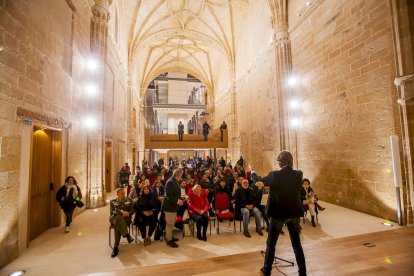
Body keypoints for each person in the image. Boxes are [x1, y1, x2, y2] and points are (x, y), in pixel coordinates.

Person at [260, 150, 306, 276]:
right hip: (294, 213)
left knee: (271, 243)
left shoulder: (275, 175)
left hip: (279, 214)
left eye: (279, 161)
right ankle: (303, 273)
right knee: (297, 245)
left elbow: (261, 181)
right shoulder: (299, 174)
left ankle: (267, 271)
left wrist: (253, 173)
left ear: (281, 161)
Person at [109, 188, 135, 258]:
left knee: (118, 223)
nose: (123, 194)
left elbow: (132, 211)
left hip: (125, 219)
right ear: (117, 194)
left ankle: (115, 247)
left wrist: (129, 213)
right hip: (113, 218)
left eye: (124, 193)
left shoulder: (129, 200)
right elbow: (112, 212)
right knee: (117, 218)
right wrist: (122, 212)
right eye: (121, 193)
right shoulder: (112, 201)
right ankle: (127, 235)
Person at [162, 168, 184, 248]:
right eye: (181, 175)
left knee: (172, 222)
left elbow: (175, 194)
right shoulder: (170, 182)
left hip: (173, 206)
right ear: (178, 175)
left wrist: (180, 199)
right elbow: (168, 196)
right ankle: (169, 240)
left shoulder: (174, 181)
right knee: (170, 224)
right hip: (169, 207)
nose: (181, 177)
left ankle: (170, 236)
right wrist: (178, 201)